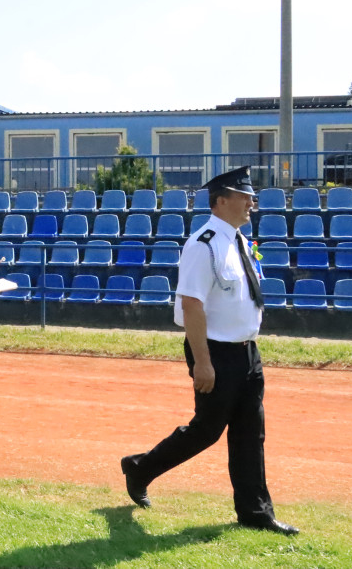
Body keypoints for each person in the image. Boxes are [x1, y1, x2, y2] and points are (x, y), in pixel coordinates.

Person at [120, 166, 298, 535]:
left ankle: (255, 513)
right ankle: (141, 468)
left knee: (251, 433)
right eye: (244, 195)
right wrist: (203, 362)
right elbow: (191, 306)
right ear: (221, 201)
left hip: (247, 352)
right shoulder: (203, 245)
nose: (252, 202)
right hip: (215, 352)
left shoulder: (241, 243)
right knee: (207, 430)